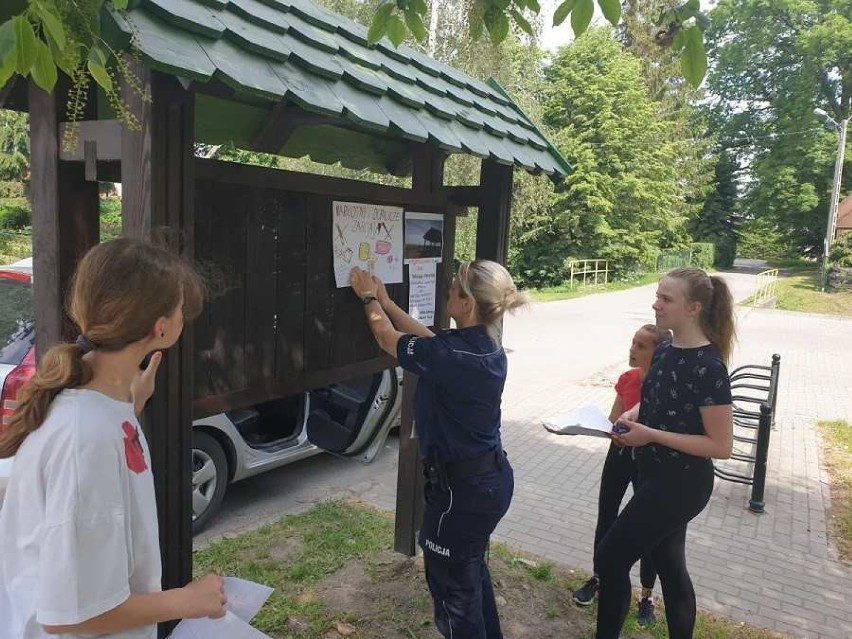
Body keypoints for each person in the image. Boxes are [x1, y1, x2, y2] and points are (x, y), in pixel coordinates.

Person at [0, 238, 227, 639]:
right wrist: (190, 601)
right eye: (179, 310)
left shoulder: (95, 407)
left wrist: (131, 404)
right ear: (162, 327)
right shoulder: (85, 438)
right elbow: (70, 614)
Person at [349, 259, 527, 639]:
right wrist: (387, 301)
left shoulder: (453, 356)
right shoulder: (484, 345)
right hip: (487, 482)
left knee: (454, 599)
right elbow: (430, 343)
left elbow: (386, 338)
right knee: (471, 576)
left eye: (452, 290)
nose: (447, 294)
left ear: (466, 303)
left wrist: (367, 298)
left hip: (458, 497)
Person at [594, 267, 735, 639]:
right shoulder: (667, 349)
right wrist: (631, 413)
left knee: (610, 558)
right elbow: (655, 398)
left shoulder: (709, 367)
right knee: (669, 566)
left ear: (693, 308)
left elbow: (721, 446)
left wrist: (649, 435)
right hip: (653, 475)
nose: (656, 304)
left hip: (682, 485)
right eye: (657, 296)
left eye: (666, 299)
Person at [572, 324, 672, 627]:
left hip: (647, 461)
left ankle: (646, 595)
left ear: (659, 353)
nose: (633, 349)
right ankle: (599, 577)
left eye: (642, 346)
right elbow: (615, 418)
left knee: (647, 529)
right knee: (606, 517)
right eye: (633, 342)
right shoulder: (627, 379)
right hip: (619, 456)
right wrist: (608, 429)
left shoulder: (665, 385)